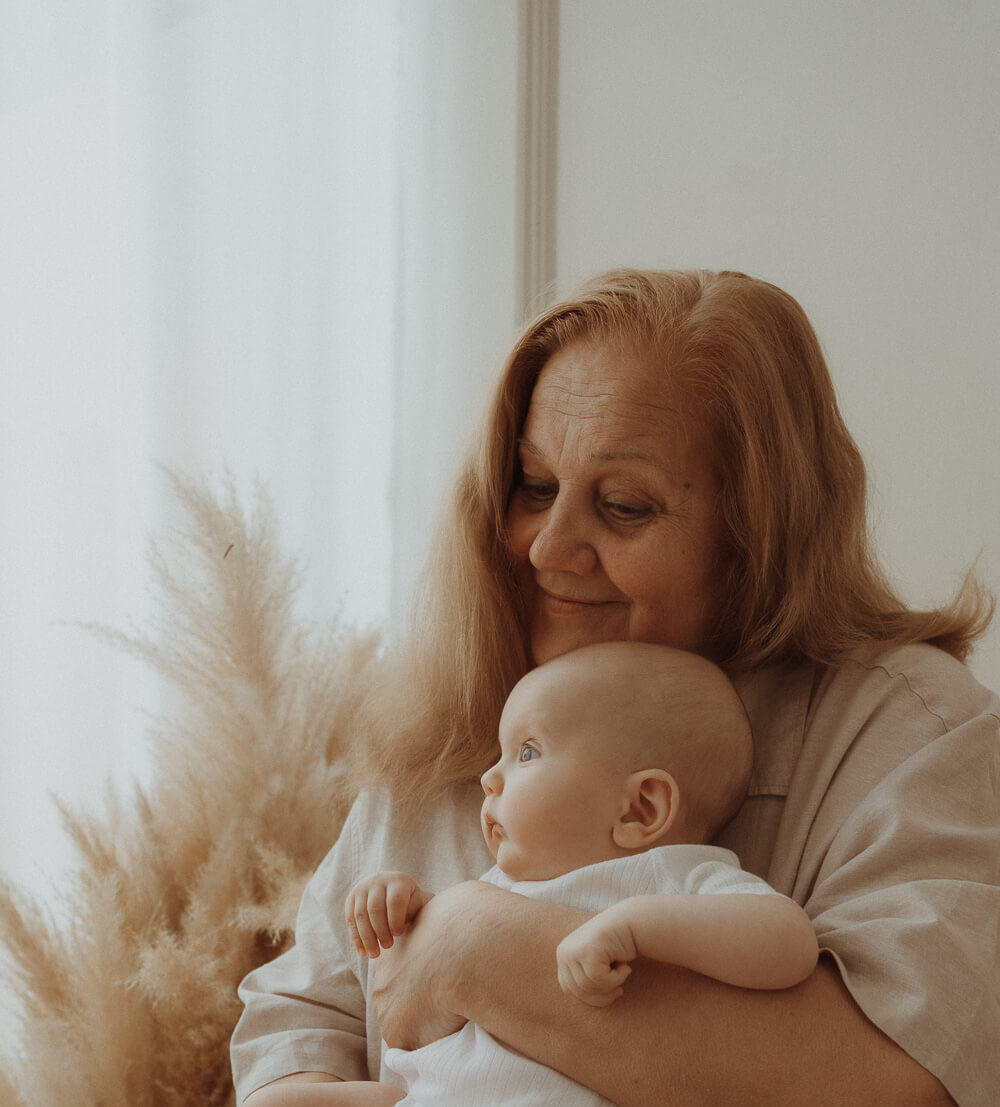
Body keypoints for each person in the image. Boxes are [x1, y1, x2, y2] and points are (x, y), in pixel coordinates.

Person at [231, 268, 998, 1107]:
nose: (550, 548)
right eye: (533, 487)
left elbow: (894, 1076)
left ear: (760, 530)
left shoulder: (914, 732)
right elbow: (296, 1024)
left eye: (625, 505)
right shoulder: (456, 724)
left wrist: (470, 944)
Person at [338, 641, 819, 1107]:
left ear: (639, 809)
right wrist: (405, 903)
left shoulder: (673, 875)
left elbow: (791, 942)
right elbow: (435, 950)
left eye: (527, 752)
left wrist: (638, 927)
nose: (489, 777)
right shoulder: (505, 884)